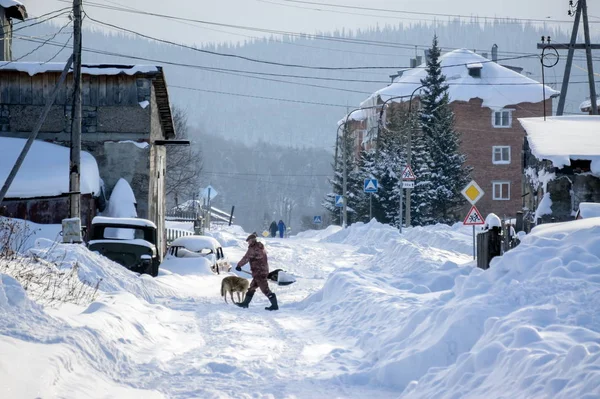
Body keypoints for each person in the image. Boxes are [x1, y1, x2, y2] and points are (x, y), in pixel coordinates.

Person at [235, 233, 278, 311]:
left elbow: (246, 257)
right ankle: (245, 303)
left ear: (252, 240)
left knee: (265, 290)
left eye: (249, 241)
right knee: (251, 287)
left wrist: (239, 265)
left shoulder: (253, 248)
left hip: (259, 272)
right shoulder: (260, 246)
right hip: (261, 271)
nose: (248, 243)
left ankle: (275, 306)